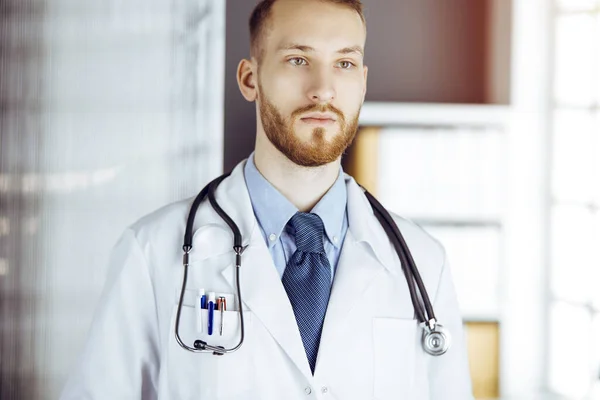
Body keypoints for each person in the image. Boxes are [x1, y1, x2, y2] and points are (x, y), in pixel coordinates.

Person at [61, 0, 474, 398]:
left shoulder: (423, 262)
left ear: (362, 82)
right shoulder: (152, 252)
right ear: (249, 79)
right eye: (298, 59)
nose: (323, 89)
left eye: (344, 63)